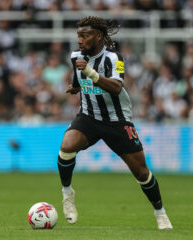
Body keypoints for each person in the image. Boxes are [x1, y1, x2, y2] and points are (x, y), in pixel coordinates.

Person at [57, 16, 173, 230]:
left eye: (85, 35)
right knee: (66, 147)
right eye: (78, 36)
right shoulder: (76, 57)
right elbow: (77, 77)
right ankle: (67, 194)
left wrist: (90, 73)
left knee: (141, 173)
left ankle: (160, 212)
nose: (80, 40)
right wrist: (75, 87)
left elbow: (116, 88)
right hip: (89, 117)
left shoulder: (113, 58)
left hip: (117, 121)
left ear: (99, 36)